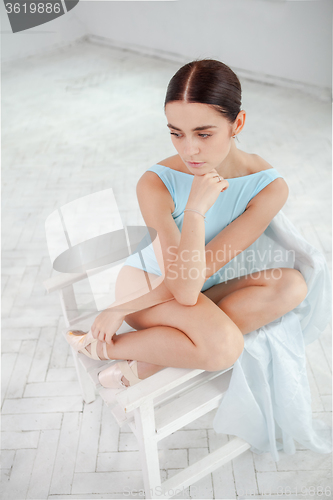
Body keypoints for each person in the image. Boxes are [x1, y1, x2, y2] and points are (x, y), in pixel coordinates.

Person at [67, 58, 308, 390]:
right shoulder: (156, 183)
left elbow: (198, 277)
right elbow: (181, 287)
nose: (189, 150)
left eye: (204, 133)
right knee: (224, 347)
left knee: (293, 285)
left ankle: (152, 360)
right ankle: (100, 346)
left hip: (201, 283)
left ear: (237, 123)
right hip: (149, 287)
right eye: (176, 134)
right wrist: (194, 209)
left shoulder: (268, 187)